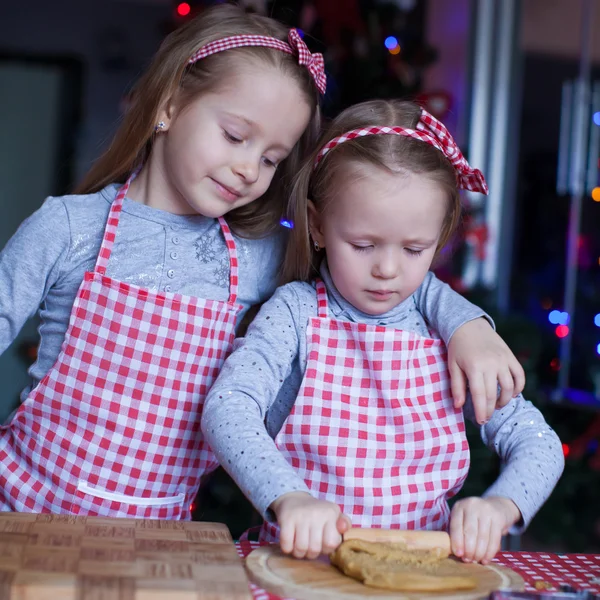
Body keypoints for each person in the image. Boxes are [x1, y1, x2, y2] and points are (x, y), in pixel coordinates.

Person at [0, 4, 521, 519]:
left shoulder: (258, 255)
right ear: (168, 105)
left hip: (160, 532)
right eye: (234, 135)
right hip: (21, 508)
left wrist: (467, 325)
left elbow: (376, 269)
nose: (249, 167)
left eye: (272, 157)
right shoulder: (70, 227)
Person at [202, 100, 564, 562]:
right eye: (363, 244)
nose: (387, 270)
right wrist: (288, 496)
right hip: (301, 569)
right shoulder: (295, 314)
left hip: (419, 575)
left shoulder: (451, 333)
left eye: (415, 249)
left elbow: (539, 443)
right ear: (316, 225)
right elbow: (229, 407)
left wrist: (500, 506)